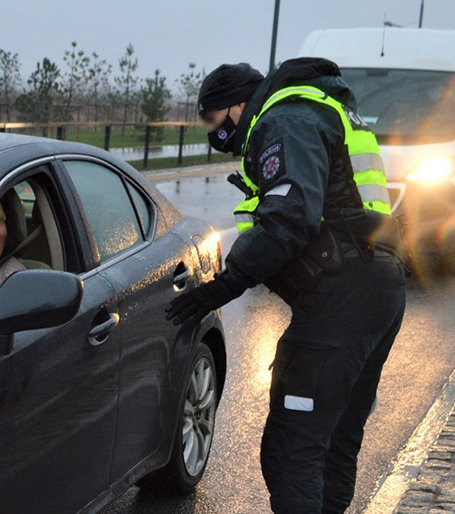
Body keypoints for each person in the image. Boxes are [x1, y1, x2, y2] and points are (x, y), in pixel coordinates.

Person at [165, 59, 406, 513]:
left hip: (341, 298)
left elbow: (290, 215)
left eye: (212, 120)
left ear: (238, 105)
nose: (213, 134)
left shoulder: (285, 118)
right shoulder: (320, 108)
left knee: (291, 452)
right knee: (333, 442)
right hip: (377, 288)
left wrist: (225, 284)